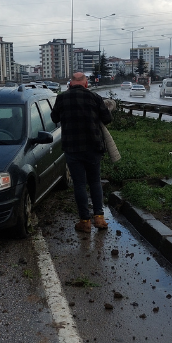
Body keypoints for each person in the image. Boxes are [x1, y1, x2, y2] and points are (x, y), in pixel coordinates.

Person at [51, 72, 113, 233]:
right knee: (94, 181)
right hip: (93, 147)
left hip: (72, 148)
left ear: (70, 84)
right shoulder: (95, 97)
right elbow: (107, 119)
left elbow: (54, 118)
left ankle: (85, 221)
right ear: (86, 84)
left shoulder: (61, 98)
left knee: (79, 184)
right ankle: (99, 218)